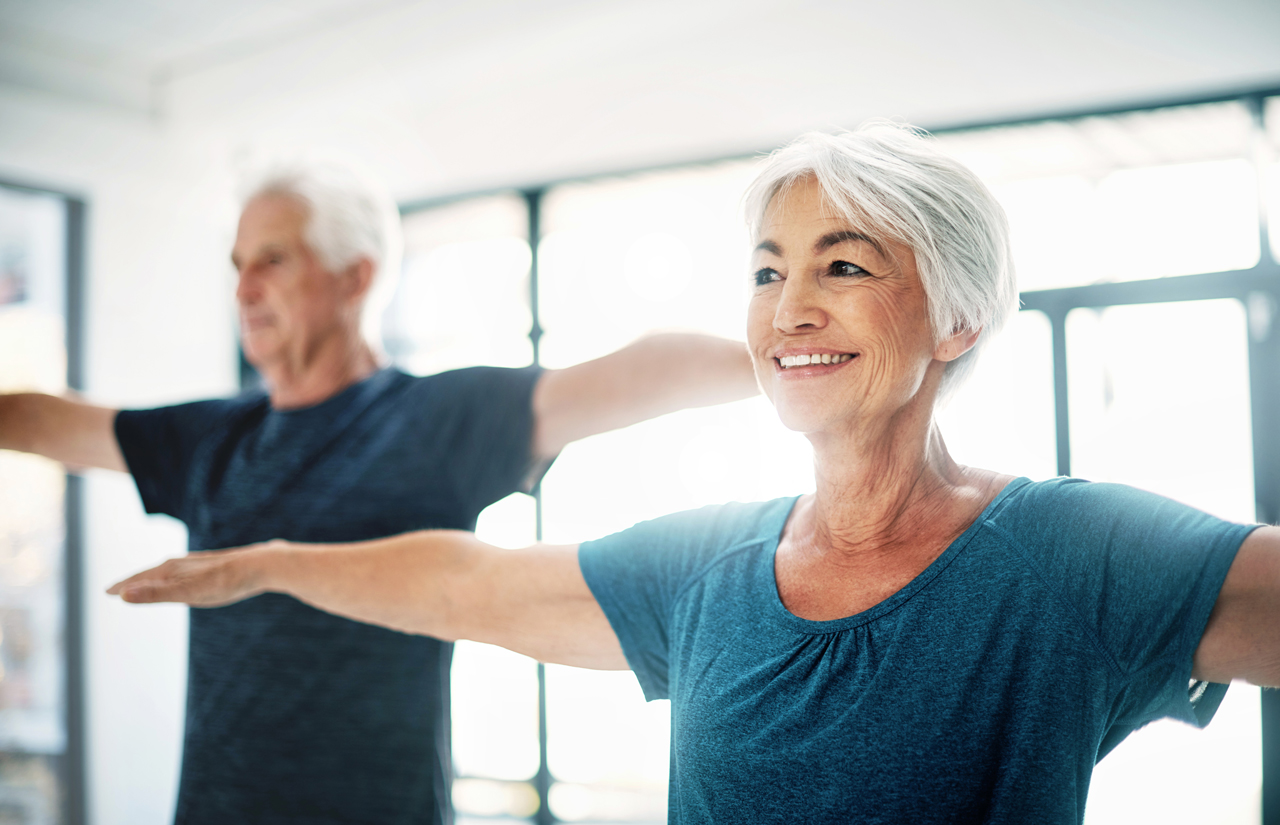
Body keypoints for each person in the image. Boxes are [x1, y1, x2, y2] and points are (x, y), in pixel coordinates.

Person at [106, 125, 1280, 824]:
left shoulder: (1072, 558)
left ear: (957, 320)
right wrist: (267, 563)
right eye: (767, 272)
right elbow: (470, 584)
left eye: (843, 264)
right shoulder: (712, 566)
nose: (791, 307)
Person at [0, 159, 759, 825]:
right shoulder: (211, 440)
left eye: (272, 259)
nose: (244, 288)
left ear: (354, 276)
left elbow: (635, 373)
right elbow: (39, 420)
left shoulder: (434, 420)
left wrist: (801, 359)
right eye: (237, 264)